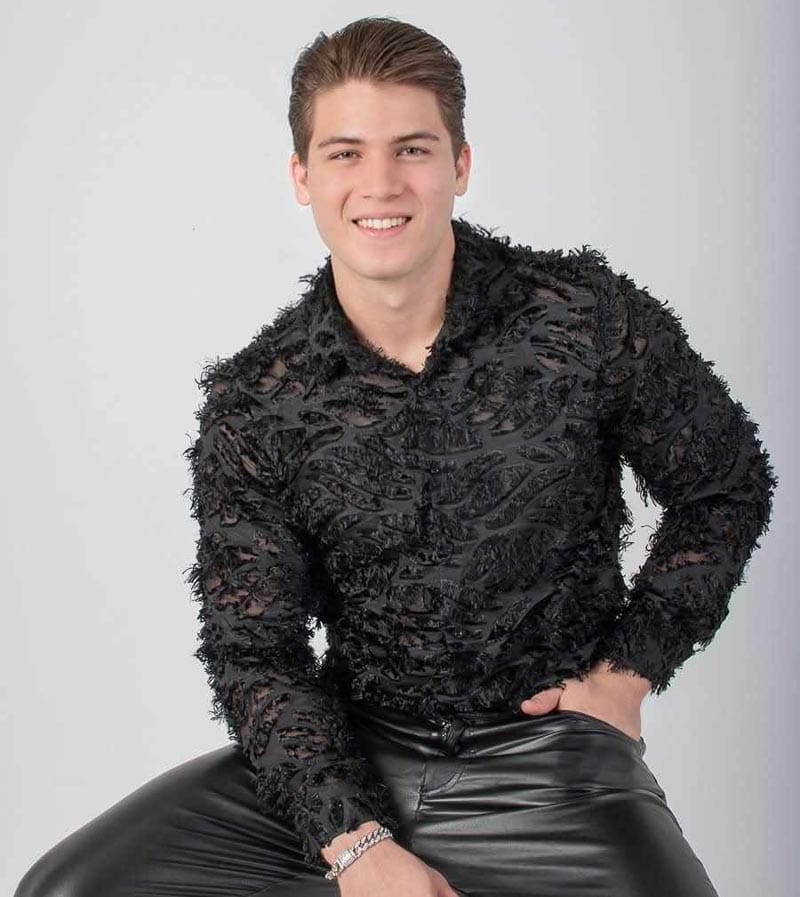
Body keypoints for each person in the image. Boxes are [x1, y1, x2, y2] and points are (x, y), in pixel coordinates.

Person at [14, 15, 777, 897]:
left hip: (546, 756)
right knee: (67, 889)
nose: (380, 184)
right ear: (302, 177)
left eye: (412, 149)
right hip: (347, 759)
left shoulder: (586, 319)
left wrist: (626, 676)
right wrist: (356, 844)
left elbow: (725, 485)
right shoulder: (257, 400)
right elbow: (255, 652)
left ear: (460, 164)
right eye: (345, 154)